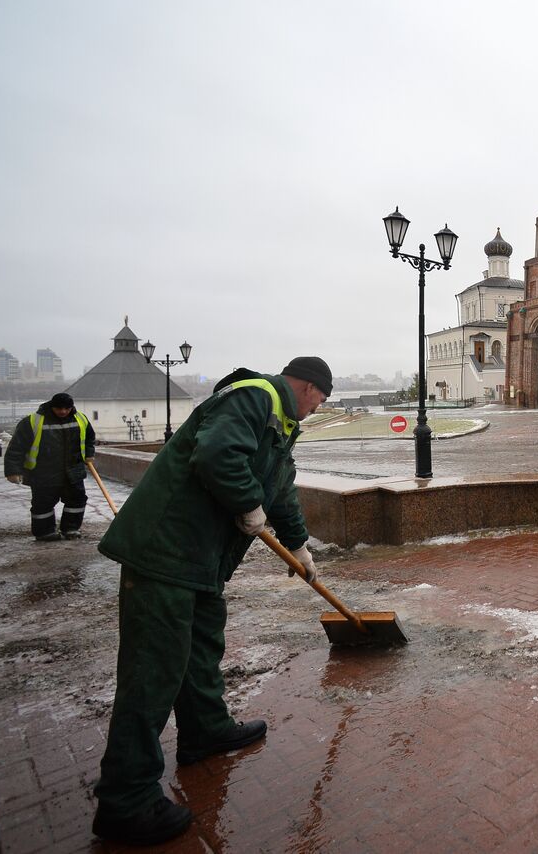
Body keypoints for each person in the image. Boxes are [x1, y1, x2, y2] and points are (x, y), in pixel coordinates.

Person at [91, 356, 332, 845]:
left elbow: (281, 489)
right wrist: (247, 504)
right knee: (153, 668)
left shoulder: (280, 425)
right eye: (321, 399)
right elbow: (216, 454)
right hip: (166, 550)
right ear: (307, 387)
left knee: (202, 644)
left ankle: (204, 730)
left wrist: (299, 545)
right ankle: (126, 799)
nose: (318, 408)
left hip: (200, 559)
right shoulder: (254, 397)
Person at [3, 392, 95, 541]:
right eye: (59, 409)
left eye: (67, 408)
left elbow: (89, 438)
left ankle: (71, 529)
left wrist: (89, 454)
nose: (63, 412)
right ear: (52, 406)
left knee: (77, 500)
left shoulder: (81, 419)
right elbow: (16, 447)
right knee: (43, 504)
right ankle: (44, 532)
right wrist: (13, 470)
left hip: (73, 471)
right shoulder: (33, 422)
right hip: (43, 472)